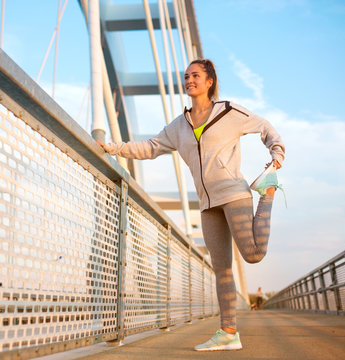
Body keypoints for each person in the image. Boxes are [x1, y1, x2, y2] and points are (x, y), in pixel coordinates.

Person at [98, 59, 285, 351]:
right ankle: (228, 333)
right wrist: (113, 148)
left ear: (209, 81)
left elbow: (265, 127)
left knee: (253, 254)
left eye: (195, 75)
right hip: (207, 204)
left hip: (234, 194)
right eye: (186, 76)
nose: (189, 80)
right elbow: (151, 147)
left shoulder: (229, 112)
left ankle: (268, 193)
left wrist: (277, 153)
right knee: (221, 269)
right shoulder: (179, 126)